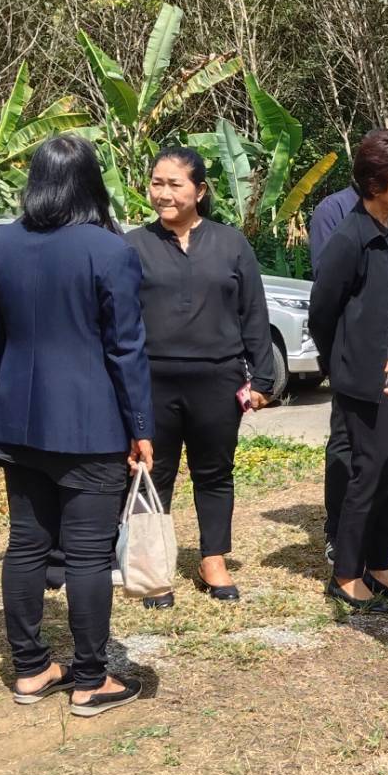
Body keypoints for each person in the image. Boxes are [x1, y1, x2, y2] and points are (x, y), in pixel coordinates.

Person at [0, 135, 153, 719]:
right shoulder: (108, 250)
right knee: (84, 554)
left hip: (20, 419)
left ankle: (30, 669)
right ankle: (89, 679)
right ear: (90, 184)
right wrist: (140, 425)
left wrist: (12, 396)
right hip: (91, 421)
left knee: (26, 544)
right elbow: (125, 347)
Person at [124, 147, 278, 608]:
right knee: (156, 473)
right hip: (153, 380)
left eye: (175, 184)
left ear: (200, 190)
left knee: (215, 472)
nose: (163, 193)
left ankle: (213, 558)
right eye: (157, 183)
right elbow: (120, 322)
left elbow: (254, 314)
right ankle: (156, 567)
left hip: (217, 378)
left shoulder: (230, 243)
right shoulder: (131, 246)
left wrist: (264, 379)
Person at [309, 130, 388, 613]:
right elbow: (323, 311)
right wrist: (347, 362)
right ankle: (346, 574)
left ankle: (380, 566)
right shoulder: (350, 236)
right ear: (377, 183)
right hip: (364, 376)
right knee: (366, 473)